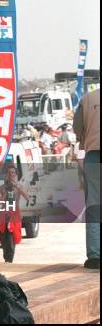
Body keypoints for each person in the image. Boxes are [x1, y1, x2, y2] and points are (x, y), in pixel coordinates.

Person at [73, 88, 100, 270]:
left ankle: (95, 255)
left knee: (93, 204)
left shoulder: (88, 98)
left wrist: (85, 139)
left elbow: (77, 127)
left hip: (93, 155)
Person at [0, 164, 30, 263]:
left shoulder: (19, 186)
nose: (11, 175)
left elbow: (27, 197)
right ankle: (7, 257)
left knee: (11, 237)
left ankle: (9, 259)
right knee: (3, 237)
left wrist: (17, 187)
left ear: (16, 174)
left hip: (14, 214)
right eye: (9, 173)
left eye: (13, 173)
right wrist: (4, 194)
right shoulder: (1, 187)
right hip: (4, 214)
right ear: (6, 175)